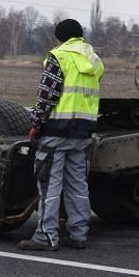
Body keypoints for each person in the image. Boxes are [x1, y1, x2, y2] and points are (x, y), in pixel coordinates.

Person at [19, 18, 104, 252]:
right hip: (83, 133)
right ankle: (78, 234)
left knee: (49, 185)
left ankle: (46, 237)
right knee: (78, 185)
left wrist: (36, 123)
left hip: (57, 132)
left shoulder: (60, 56)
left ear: (60, 37)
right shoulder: (94, 60)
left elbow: (47, 95)